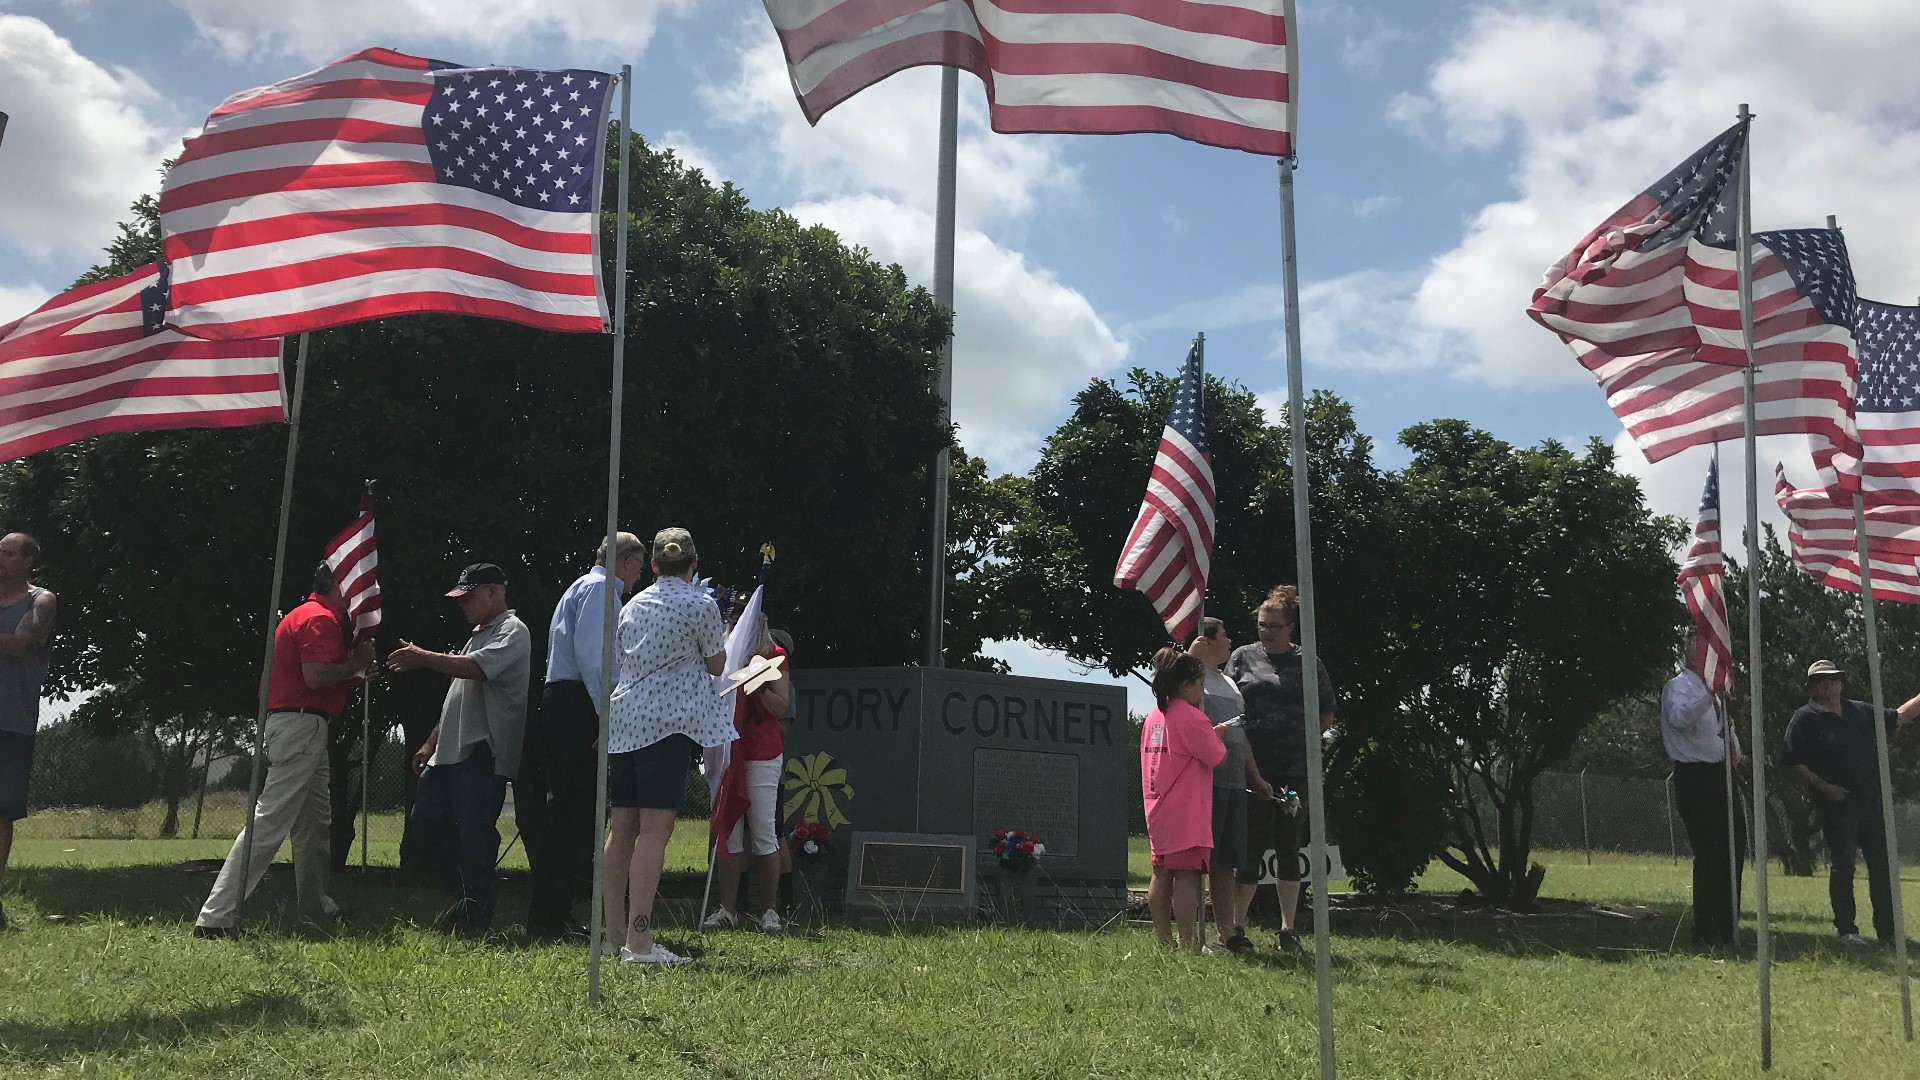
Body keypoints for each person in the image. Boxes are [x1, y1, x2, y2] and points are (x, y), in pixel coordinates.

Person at [195, 561, 371, 938]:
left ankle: (314, 904)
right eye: (351, 582)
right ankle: (216, 918)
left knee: (314, 823)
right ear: (336, 584)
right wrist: (355, 664)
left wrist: (352, 672)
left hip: (301, 723)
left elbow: (317, 677)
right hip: (301, 724)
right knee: (270, 819)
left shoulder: (305, 615)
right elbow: (316, 675)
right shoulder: (318, 619)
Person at [602, 528, 732, 967]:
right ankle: (639, 942)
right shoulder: (701, 604)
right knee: (655, 832)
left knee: (621, 830)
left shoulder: (632, 604)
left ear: (654, 564)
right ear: (693, 564)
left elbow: (623, 658)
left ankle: (614, 934)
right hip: (667, 725)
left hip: (625, 723)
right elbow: (717, 664)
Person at [389, 563, 532, 937]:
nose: (462, 605)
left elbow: (476, 671)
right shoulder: (478, 635)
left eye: (468, 597)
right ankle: (463, 898)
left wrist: (423, 656)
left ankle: (474, 917)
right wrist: (431, 741)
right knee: (425, 824)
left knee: (475, 835)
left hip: (481, 753)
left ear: (493, 592)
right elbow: (458, 695)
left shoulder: (513, 632)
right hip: (448, 753)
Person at [523, 531, 646, 940]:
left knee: (570, 815)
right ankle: (550, 918)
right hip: (579, 702)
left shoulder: (582, 586)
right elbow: (596, 659)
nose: (639, 578)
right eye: (639, 568)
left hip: (566, 700)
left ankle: (552, 914)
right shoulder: (600, 590)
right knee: (573, 816)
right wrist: (606, 715)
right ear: (627, 562)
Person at [1227, 584, 1335, 955]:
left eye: (1274, 625)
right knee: (1248, 849)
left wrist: (1305, 741)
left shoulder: (1309, 663)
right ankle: (1236, 927)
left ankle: (1288, 928)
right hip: (1251, 767)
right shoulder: (1241, 658)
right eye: (1261, 625)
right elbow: (1227, 706)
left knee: (1290, 847)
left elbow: (1326, 711)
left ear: (1290, 627)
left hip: (1294, 770)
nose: (1266, 631)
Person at [1783, 659, 1920, 946]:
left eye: (1833, 679)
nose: (1828, 684)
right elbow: (1793, 761)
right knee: (1843, 865)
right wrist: (1824, 787)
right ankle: (1847, 930)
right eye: (1821, 681)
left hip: (1871, 801)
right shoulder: (1804, 719)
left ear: (1842, 683)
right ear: (1813, 688)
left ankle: (1889, 932)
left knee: (1882, 865)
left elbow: (1898, 717)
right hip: (1837, 802)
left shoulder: (1859, 711)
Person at [701, 614, 792, 932]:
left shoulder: (775, 655)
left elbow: (781, 707)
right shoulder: (723, 657)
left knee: (765, 833)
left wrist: (755, 686)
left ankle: (769, 910)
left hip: (761, 753)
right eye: (737, 622)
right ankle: (727, 909)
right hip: (727, 750)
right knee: (729, 831)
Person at [1190, 617, 1272, 955]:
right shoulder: (1194, 682)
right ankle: (1191, 933)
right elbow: (1185, 716)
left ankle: (1229, 932)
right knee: (1197, 862)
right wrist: (1192, 662)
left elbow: (1241, 735)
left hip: (1236, 783)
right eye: (1224, 635)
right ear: (1207, 642)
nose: (1229, 641)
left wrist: (1256, 777)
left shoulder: (1230, 683)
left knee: (1226, 863)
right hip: (1206, 782)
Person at [1661, 636, 1745, 949]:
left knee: (1734, 848)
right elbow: (1679, 720)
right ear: (1693, 655)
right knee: (1710, 852)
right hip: (1696, 776)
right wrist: (1708, 695)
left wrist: (1735, 751)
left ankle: (1728, 927)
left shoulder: (1719, 695)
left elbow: (1726, 731)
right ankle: (1706, 930)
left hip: (1722, 775)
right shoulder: (1680, 686)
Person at [1141, 647, 1226, 950]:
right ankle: (1188, 942)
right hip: (1187, 811)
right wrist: (1218, 736)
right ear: (1187, 685)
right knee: (1188, 876)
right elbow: (1216, 756)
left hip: (1157, 807)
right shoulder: (1192, 718)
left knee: (1161, 874)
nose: (1202, 691)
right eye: (1201, 684)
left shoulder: (1154, 716)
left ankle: (1164, 941)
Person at [0, 532, 56, 932]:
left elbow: (20, 644)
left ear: (28, 561)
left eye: (6, 553)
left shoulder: (41, 601)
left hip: (11, 720)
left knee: (1, 814)